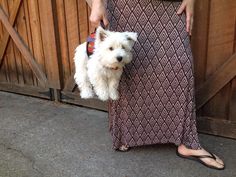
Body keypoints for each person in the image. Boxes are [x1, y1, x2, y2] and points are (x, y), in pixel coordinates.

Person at [90, 0, 225, 170]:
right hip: (125, 6)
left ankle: (187, 141)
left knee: (179, 64)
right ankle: (126, 134)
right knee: (129, 69)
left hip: (172, 6)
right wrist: (97, 2)